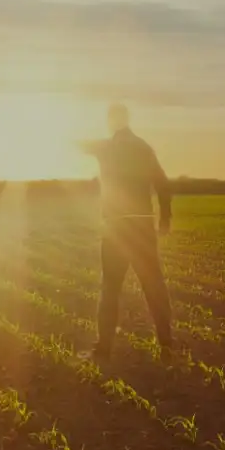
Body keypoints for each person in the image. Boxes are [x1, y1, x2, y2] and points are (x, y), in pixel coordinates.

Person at [78, 103, 173, 361]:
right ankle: (167, 346)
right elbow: (163, 185)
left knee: (110, 288)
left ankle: (103, 349)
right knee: (154, 285)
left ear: (111, 121)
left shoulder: (106, 147)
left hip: (116, 227)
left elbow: (78, 144)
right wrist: (165, 218)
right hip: (142, 226)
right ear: (127, 120)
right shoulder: (144, 148)